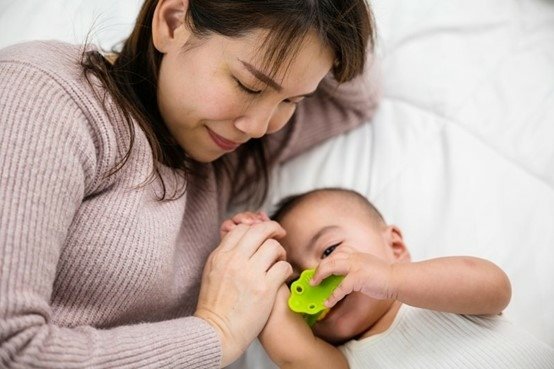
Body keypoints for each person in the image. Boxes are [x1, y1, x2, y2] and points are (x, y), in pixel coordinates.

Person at [0, 0, 379, 367]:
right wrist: (216, 332)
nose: (260, 127)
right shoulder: (43, 96)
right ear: (172, 21)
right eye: (248, 85)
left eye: (292, 100)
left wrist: (315, 14)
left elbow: (354, 96)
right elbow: (11, 348)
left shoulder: (225, 156)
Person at [221, 188, 554, 368]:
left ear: (394, 245)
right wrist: (254, 255)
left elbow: (495, 287)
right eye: (294, 281)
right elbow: (291, 353)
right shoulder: (340, 362)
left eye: (328, 250)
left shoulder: (440, 299)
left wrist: (391, 278)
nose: (315, 277)